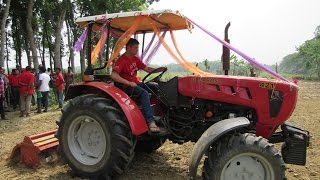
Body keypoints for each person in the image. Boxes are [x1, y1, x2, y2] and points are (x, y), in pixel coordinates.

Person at [111, 38, 166, 133]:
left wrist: (159, 69)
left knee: (155, 87)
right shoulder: (122, 60)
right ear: (128, 47)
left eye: (137, 48)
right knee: (144, 93)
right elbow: (113, 75)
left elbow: (147, 69)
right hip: (126, 87)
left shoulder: (135, 59)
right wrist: (128, 83)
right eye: (135, 48)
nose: (137, 50)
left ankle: (163, 115)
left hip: (136, 84)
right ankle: (150, 121)